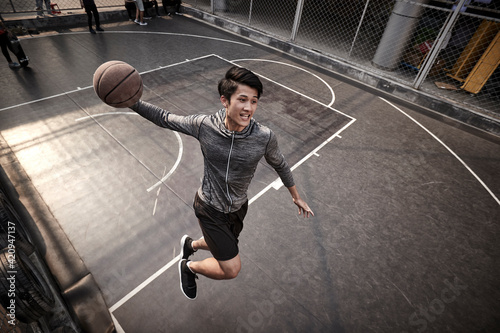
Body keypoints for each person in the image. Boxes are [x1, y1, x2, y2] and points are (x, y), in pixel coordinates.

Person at [129, 66, 314, 300]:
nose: (249, 108)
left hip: (238, 207)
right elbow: (165, 118)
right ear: (225, 100)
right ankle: (188, 267)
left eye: (254, 102)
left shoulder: (264, 137)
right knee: (231, 268)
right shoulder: (204, 125)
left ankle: (191, 245)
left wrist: (295, 196)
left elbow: (281, 164)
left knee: (222, 243)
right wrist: (132, 103)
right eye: (243, 100)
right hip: (209, 207)